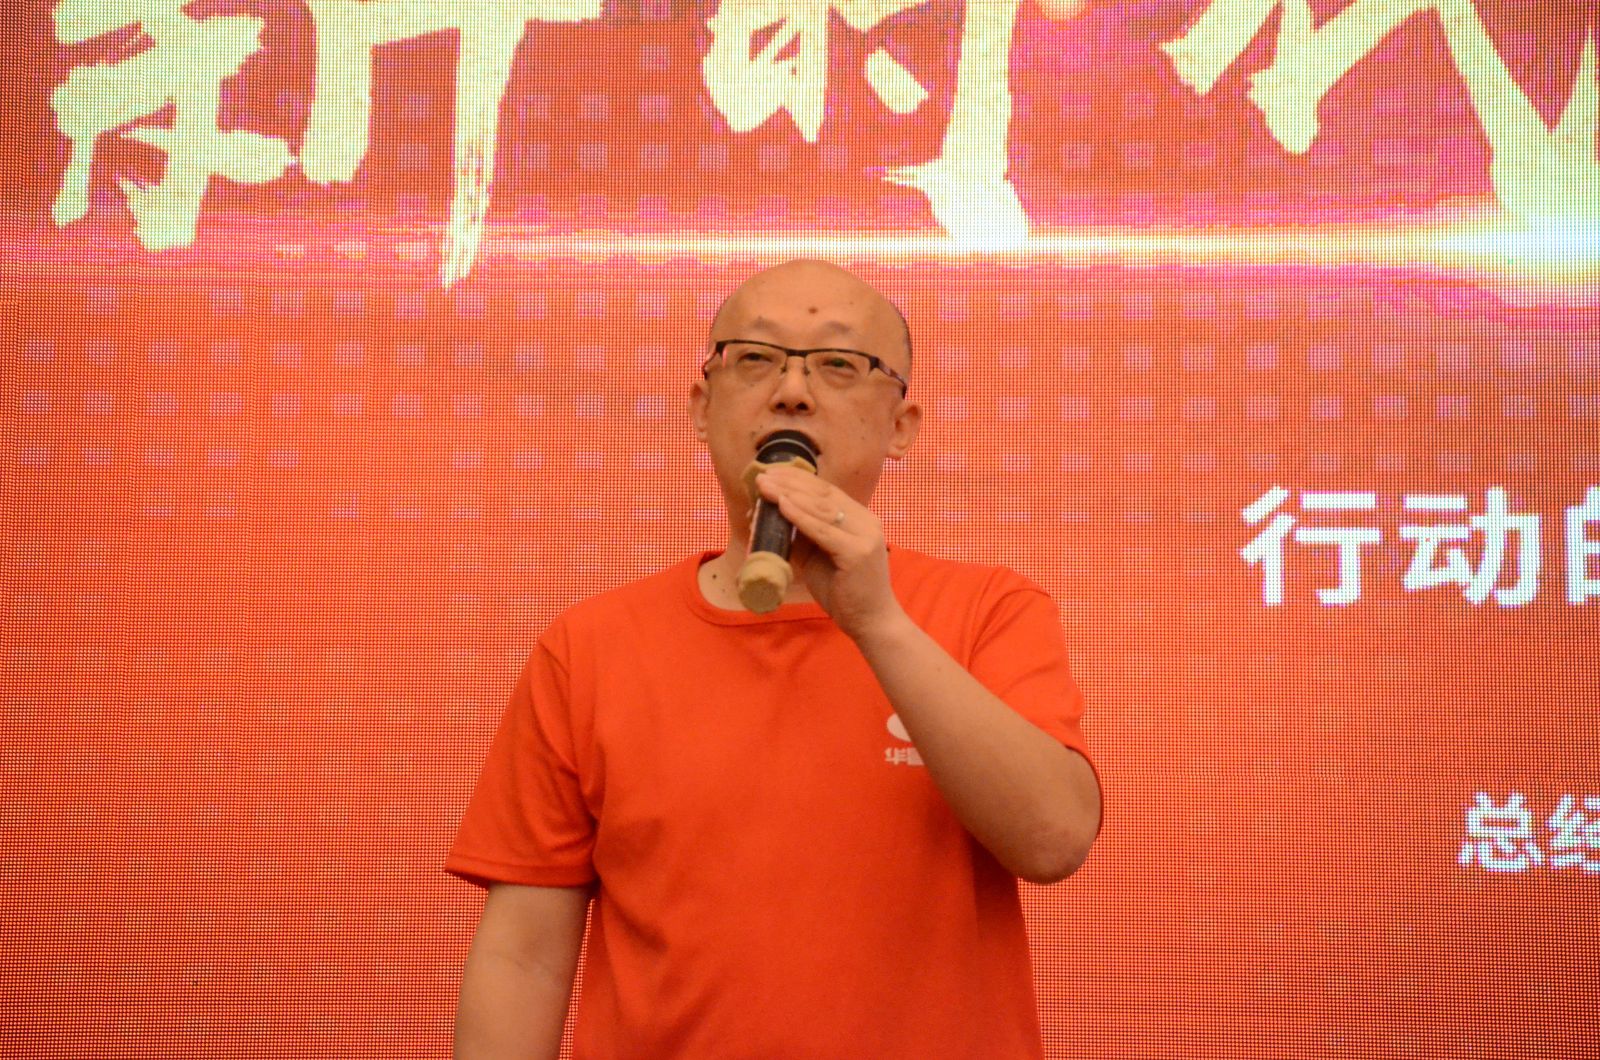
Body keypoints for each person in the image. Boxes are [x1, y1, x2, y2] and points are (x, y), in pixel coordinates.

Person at [445, 259, 1103, 1058]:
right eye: (755, 359)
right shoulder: (589, 648)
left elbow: (1053, 840)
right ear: (702, 407)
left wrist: (876, 622)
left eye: (838, 365)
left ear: (901, 426)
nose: (792, 391)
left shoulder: (988, 610)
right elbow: (523, 959)